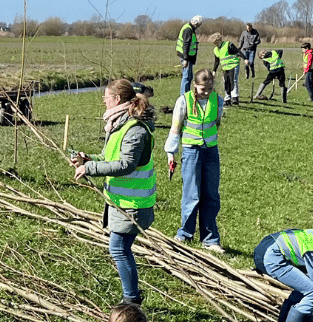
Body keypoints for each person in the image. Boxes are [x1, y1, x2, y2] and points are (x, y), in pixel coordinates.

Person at [70, 79, 156, 305]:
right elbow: (110, 158)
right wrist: (87, 159)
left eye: (106, 97)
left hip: (133, 203)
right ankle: (131, 296)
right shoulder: (118, 124)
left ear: (117, 100)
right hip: (122, 201)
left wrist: (90, 168)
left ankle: (131, 300)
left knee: (118, 248)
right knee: (120, 247)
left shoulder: (135, 129)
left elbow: (126, 164)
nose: (103, 101)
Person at [164, 69, 225, 254]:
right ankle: (185, 234)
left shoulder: (218, 100)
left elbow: (217, 122)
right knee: (192, 194)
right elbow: (176, 128)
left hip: (211, 151)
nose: (206, 92)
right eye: (202, 89)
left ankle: (210, 239)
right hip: (191, 151)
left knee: (211, 195)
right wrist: (171, 152)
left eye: (209, 88)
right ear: (194, 86)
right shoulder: (183, 101)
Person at [210, 32, 244, 107]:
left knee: (233, 81)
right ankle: (227, 98)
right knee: (226, 82)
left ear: (219, 41)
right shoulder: (216, 50)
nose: (216, 45)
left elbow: (238, 52)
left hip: (233, 66)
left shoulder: (228, 45)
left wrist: (245, 59)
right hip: (225, 68)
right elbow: (216, 61)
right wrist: (214, 71)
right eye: (214, 44)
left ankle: (235, 97)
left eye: (216, 43)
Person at [175, 16, 203, 95]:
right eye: (198, 25)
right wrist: (186, 59)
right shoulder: (188, 30)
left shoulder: (190, 28)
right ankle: (184, 96)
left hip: (188, 56)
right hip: (186, 56)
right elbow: (186, 45)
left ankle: (186, 94)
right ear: (195, 23)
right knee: (186, 77)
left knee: (189, 76)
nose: (198, 27)